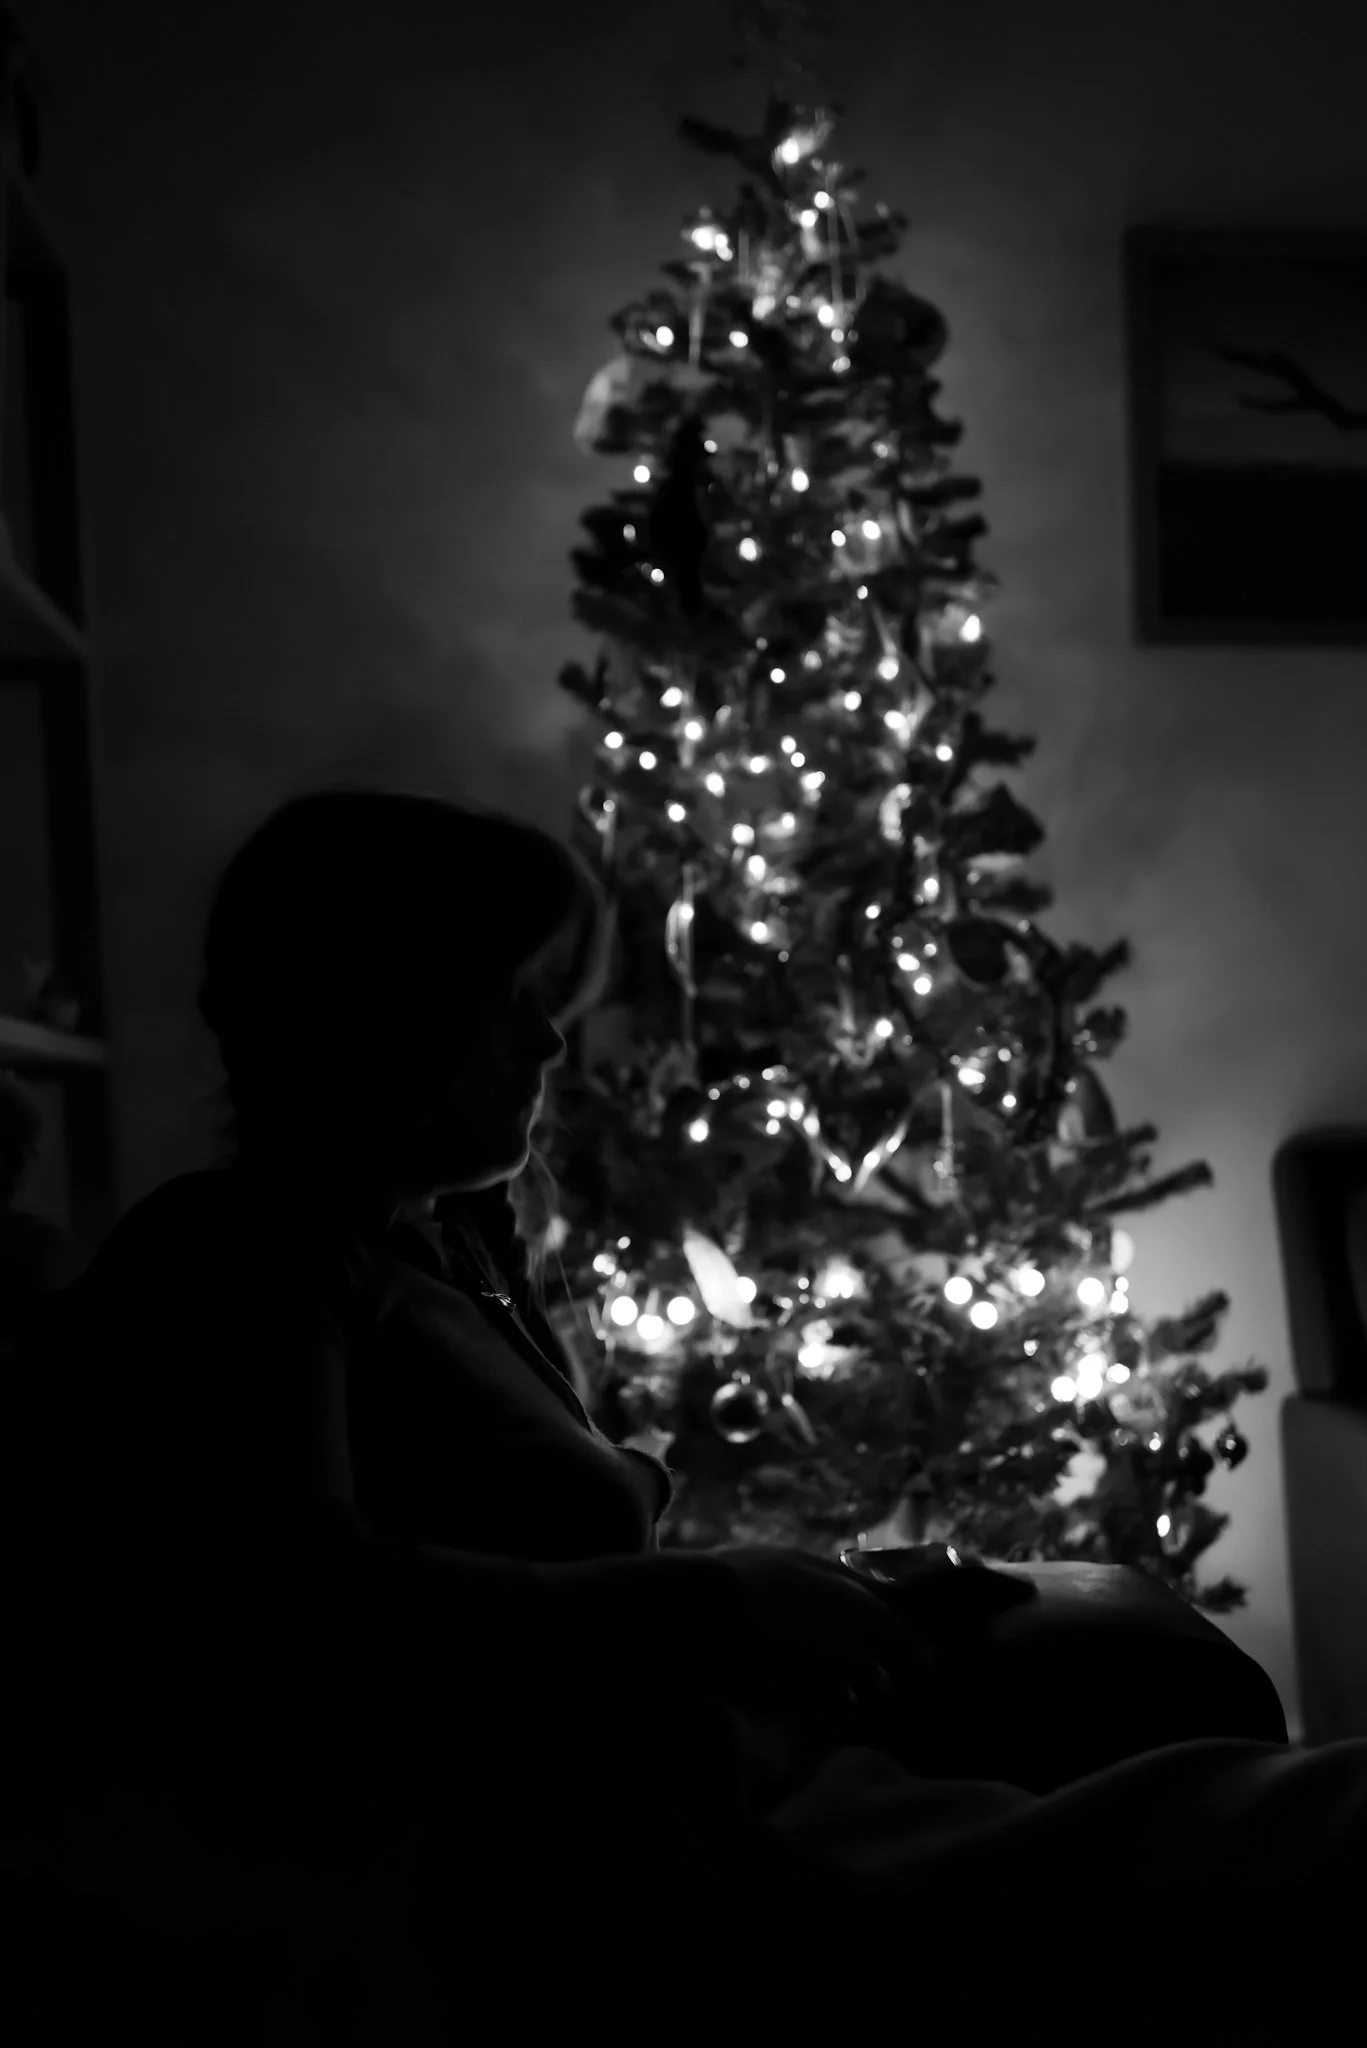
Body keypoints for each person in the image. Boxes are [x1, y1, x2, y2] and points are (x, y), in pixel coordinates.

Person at [8, 786, 1365, 2045]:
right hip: (619, 1842)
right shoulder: (241, 1255)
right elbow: (290, 1597)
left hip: (699, 1775)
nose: (547, 1039)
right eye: (511, 994)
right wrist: (712, 1606)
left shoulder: (432, 1252)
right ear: (376, 1004)